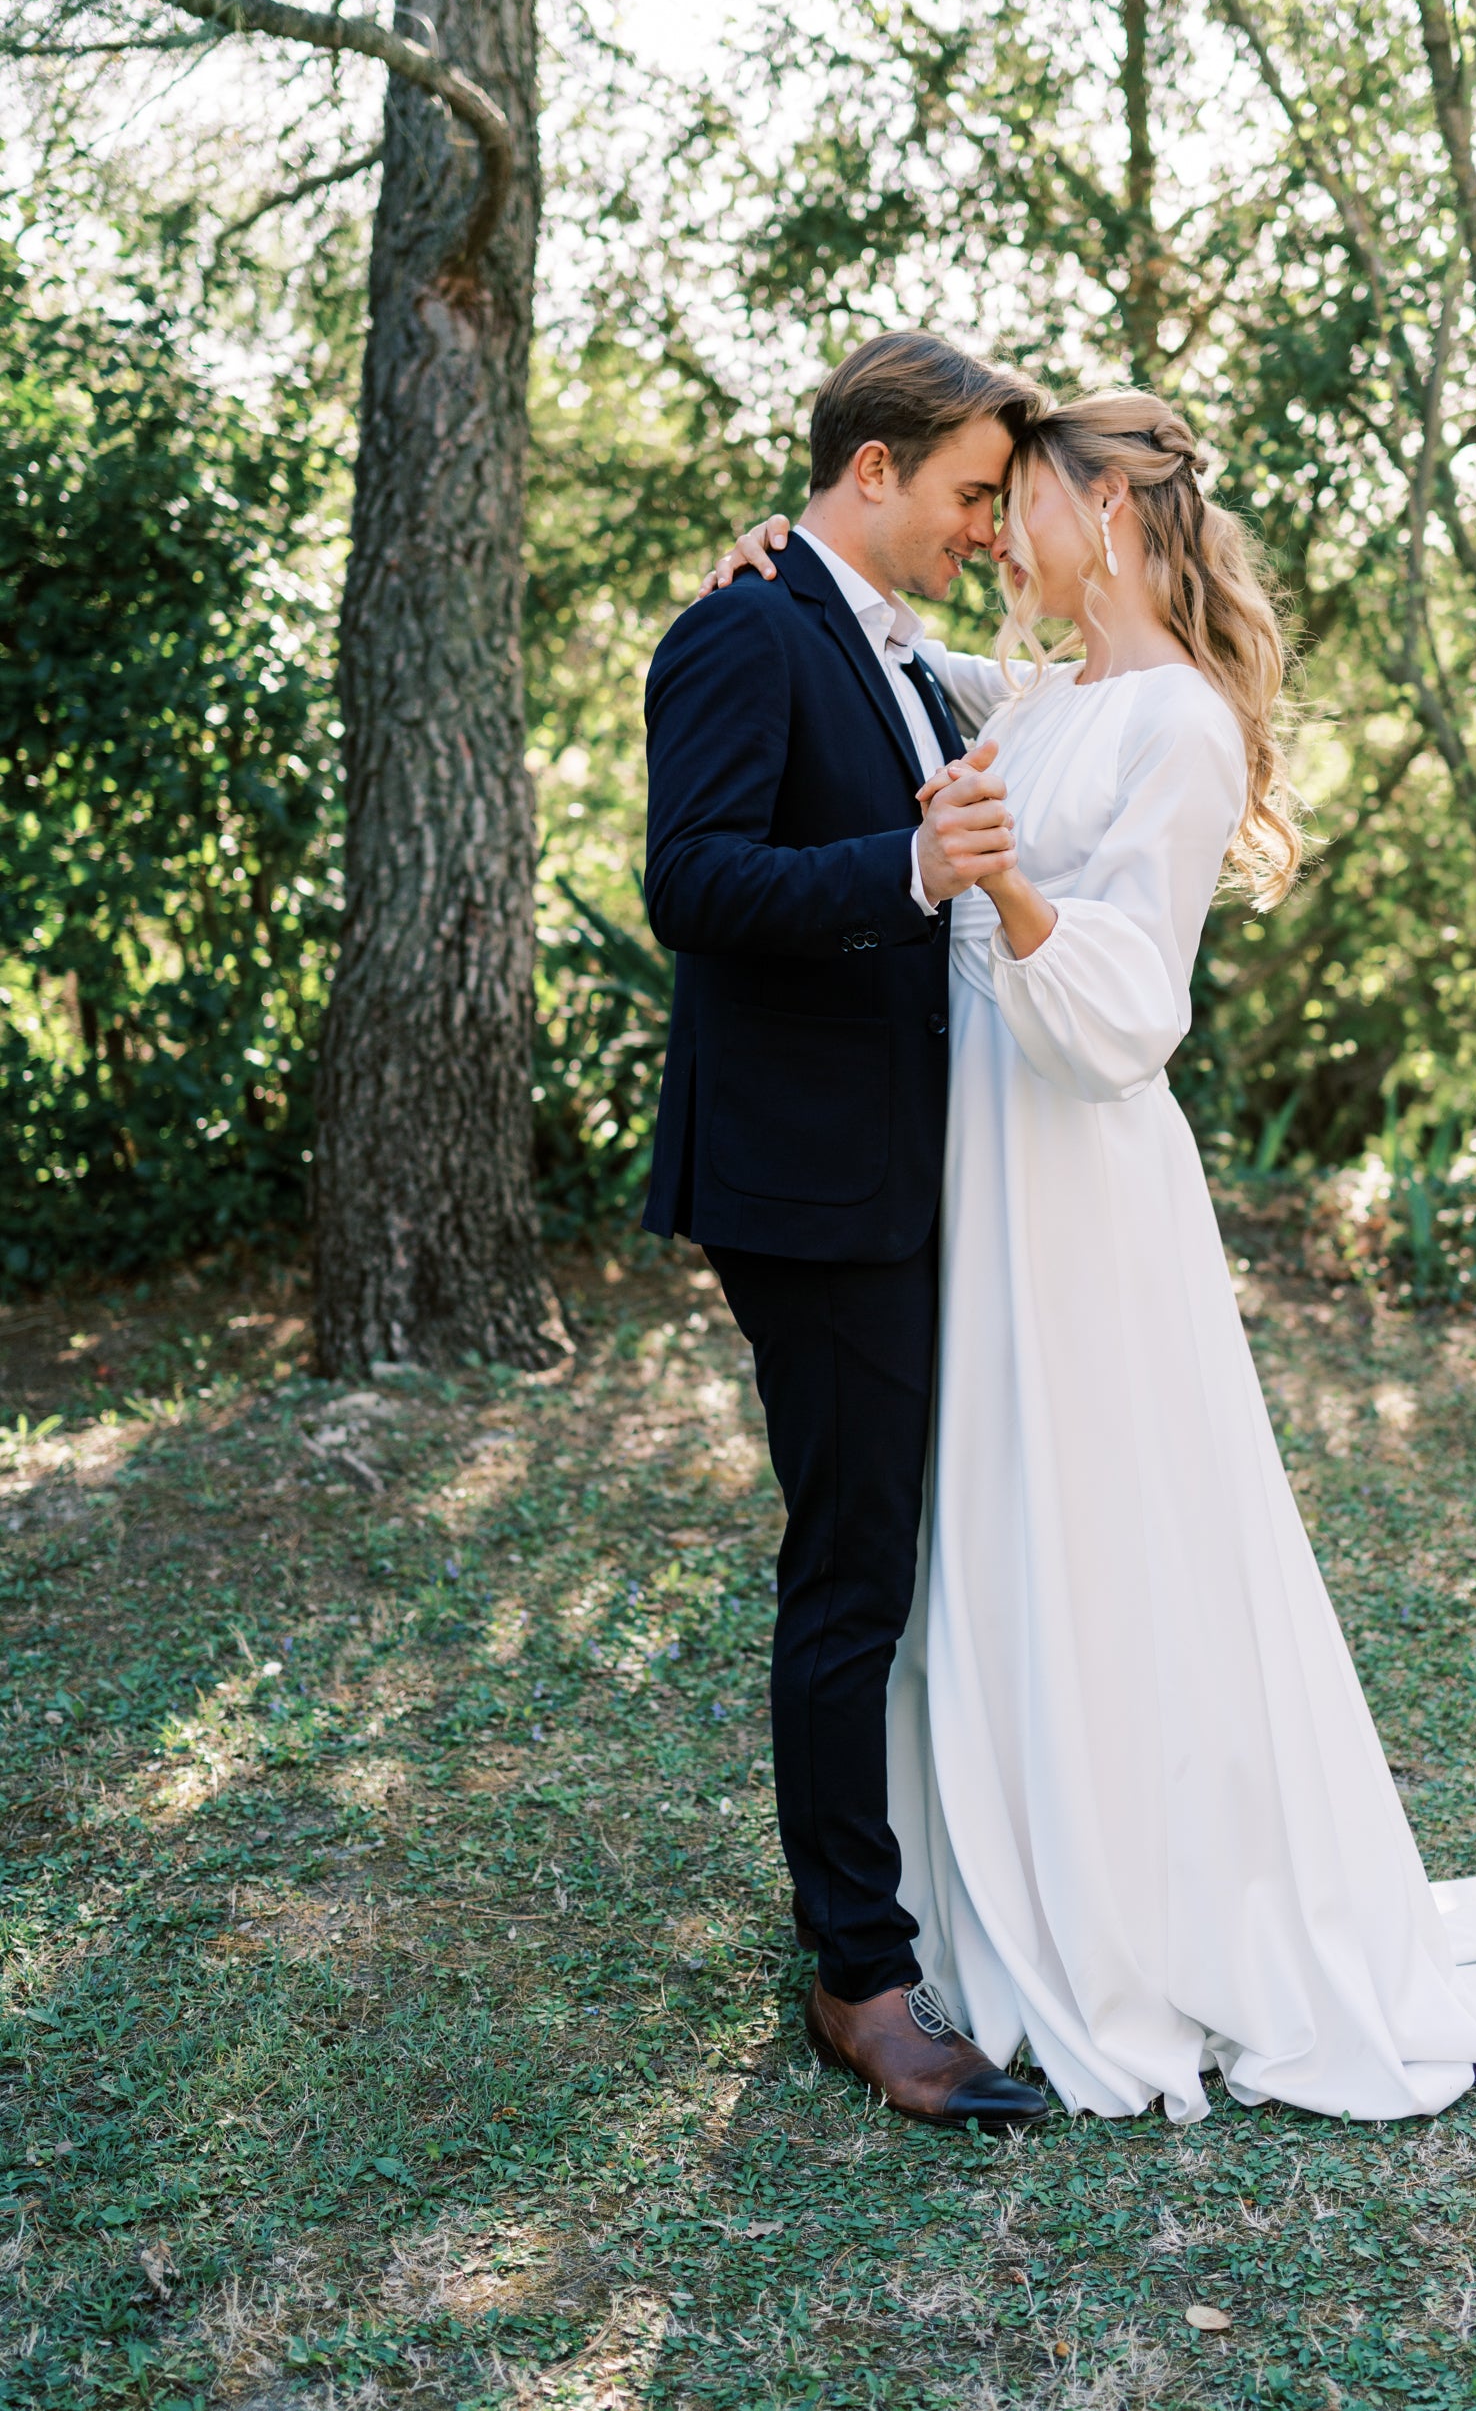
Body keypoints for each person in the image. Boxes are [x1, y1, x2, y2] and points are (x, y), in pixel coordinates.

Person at [700, 387, 1476, 2124]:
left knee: (1110, 1527)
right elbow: (879, 652)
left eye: (1019, 505)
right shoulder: (1054, 695)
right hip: (976, 1175)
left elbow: (1132, 1008)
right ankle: (982, 1884)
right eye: (976, 504)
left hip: (1078, 1168)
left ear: (1104, 520)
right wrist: (775, 557)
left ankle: (1142, 1905)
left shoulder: (1183, 728)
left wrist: (1002, 895)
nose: (996, 534)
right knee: (993, 1525)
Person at [640, 329, 1053, 2129]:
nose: (982, 524)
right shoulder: (744, 624)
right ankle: (858, 1979)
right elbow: (694, 879)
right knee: (851, 1564)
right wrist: (910, 869)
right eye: (968, 490)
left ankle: (903, 1910)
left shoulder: (880, 642)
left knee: (887, 1545)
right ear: (869, 468)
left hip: (902, 1163)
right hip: (811, 1187)